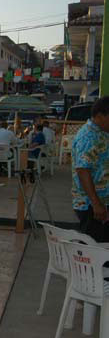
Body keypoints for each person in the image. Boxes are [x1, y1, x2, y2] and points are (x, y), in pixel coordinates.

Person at [71, 96, 109, 242]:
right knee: (93, 249)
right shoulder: (88, 137)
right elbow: (83, 170)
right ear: (100, 116)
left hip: (102, 201)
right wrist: (96, 203)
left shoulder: (102, 132)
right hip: (90, 205)